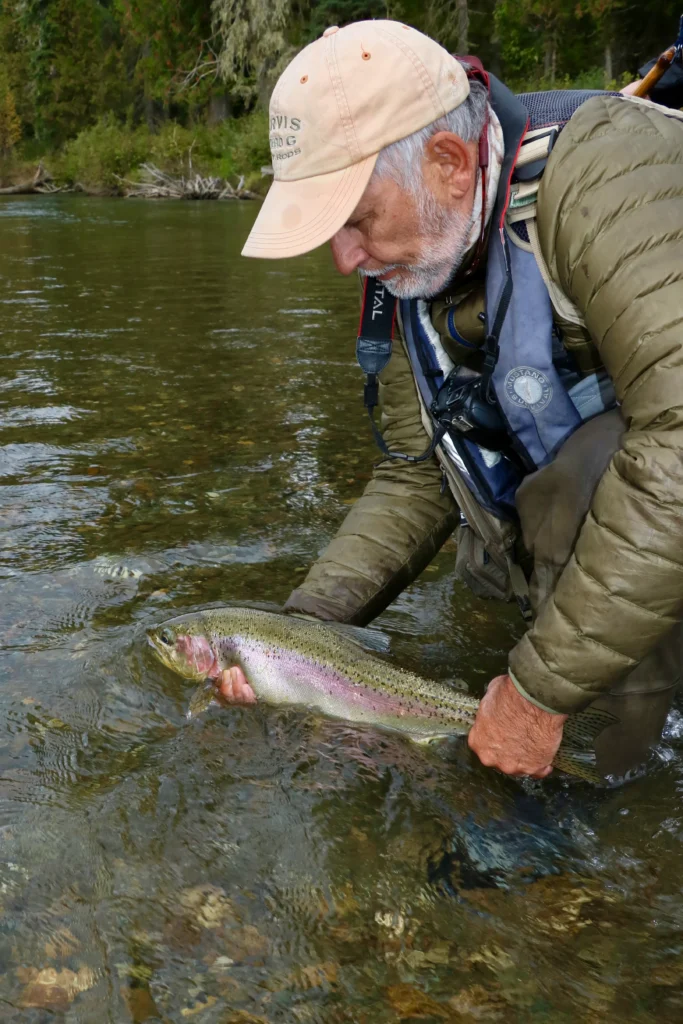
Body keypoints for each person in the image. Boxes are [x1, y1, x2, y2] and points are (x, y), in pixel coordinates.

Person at [234, 19, 683, 780]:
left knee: (592, 481)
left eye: (355, 219)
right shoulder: (421, 252)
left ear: (446, 161)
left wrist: (536, 694)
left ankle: (608, 782)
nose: (343, 259)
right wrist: (297, 637)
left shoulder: (609, 180)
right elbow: (417, 473)